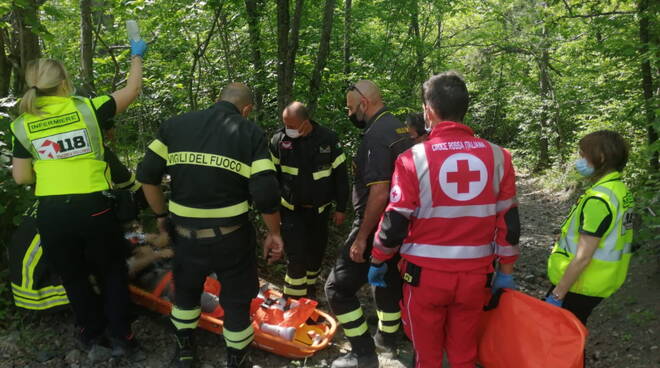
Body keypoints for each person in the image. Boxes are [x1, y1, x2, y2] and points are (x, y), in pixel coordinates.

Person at [368, 71, 520, 368]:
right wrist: (507, 270)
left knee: (427, 357)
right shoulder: (499, 157)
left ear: (429, 110)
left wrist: (377, 258)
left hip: (425, 278)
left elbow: (396, 221)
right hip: (477, 277)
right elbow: (509, 221)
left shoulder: (413, 158)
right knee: (464, 355)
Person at [9, 39, 146, 356]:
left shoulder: (21, 125)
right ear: (64, 83)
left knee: (73, 274)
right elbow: (132, 89)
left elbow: (21, 177)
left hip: (52, 211)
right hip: (93, 207)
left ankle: (90, 333)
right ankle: (121, 338)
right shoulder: (88, 108)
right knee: (111, 270)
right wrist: (136, 55)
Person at [136, 83, 283, 368]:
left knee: (186, 295)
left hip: (185, 237)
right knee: (237, 303)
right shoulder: (250, 133)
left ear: (216, 99)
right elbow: (265, 194)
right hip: (231, 239)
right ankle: (236, 361)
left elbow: (147, 177)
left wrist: (161, 216)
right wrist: (274, 233)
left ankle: (185, 354)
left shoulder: (175, 126)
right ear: (246, 110)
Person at [325, 80, 413, 368]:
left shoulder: (375, 136)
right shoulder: (400, 127)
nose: (350, 114)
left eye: (351, 108)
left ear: (364, 104)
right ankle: (387, 341)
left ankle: (363, 354)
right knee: (387, 281)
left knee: (336, 288)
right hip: (402, 225)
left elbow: (380, 191)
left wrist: (363, 238)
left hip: (376, 225)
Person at [10, 146, 148, 312]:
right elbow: (120, 262)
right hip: (42, 292)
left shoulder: (54, 199)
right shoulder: (98, 208)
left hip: (22, 287)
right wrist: (155, 255)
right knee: (111, 272)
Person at [546, 130, 634, 326]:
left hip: (580, 285)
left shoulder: (599, 199)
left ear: (600, 156)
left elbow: (584, 256)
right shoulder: (619, 190)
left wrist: (558, 294)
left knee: (560, 342)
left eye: (583, 154)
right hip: (599, 281)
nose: (580, 159)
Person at [270, 101, 349, 299]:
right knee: (296, 258)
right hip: (290, 211)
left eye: (293, 126)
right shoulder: (278, 140)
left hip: (319, 212)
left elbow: (341, 176)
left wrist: (341, 207)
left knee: (315, 256)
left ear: (306, 122)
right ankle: (293, 303)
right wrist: (272, 210)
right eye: (286, 125)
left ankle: (309, 296)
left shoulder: (327, 139)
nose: (289, 130)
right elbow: (271, 178)